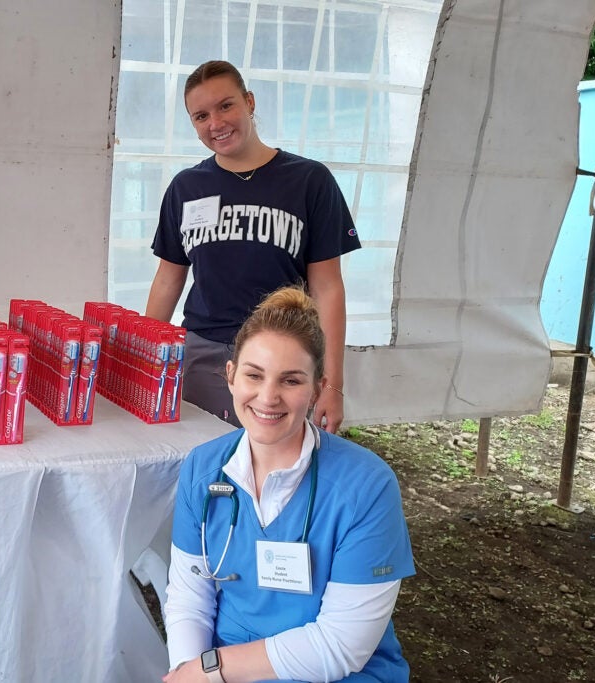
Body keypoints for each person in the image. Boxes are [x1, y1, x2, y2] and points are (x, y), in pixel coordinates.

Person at [162, 287, 414, 683]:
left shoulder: (367, 487)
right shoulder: (203, 469)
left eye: (291, 381)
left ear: (317, 389)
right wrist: (186, 672)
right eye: (253, 375)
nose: (268, 397)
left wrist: (211, 671)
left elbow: (341, 644)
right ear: (230, 376)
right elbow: (189, 601)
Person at [145, 60, 360, 434]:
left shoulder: (310, 181)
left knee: (275, 468)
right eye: (201, 116)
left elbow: (327, 287)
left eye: (226, 105)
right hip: (204, 356)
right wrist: (145, 356)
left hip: (283, 358)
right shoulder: (186, 188)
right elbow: (168, 279)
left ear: (249, 102)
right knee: (205, 461)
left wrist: (331, 383)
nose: (216, 123)